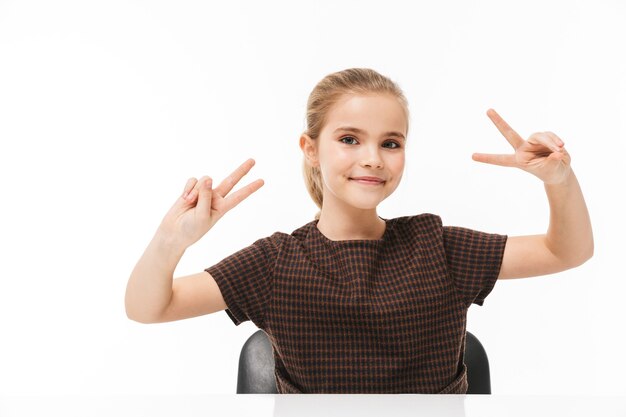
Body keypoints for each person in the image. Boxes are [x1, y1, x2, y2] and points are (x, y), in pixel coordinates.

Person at [125, 68, 594, 394]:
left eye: (390, 143)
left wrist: (560, 180)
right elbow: (148, 307)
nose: (373, 157)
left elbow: (567, 251)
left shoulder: (438, 247)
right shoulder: (275, 262)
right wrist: (173, 240)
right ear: (311, 149)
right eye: (350, 139)